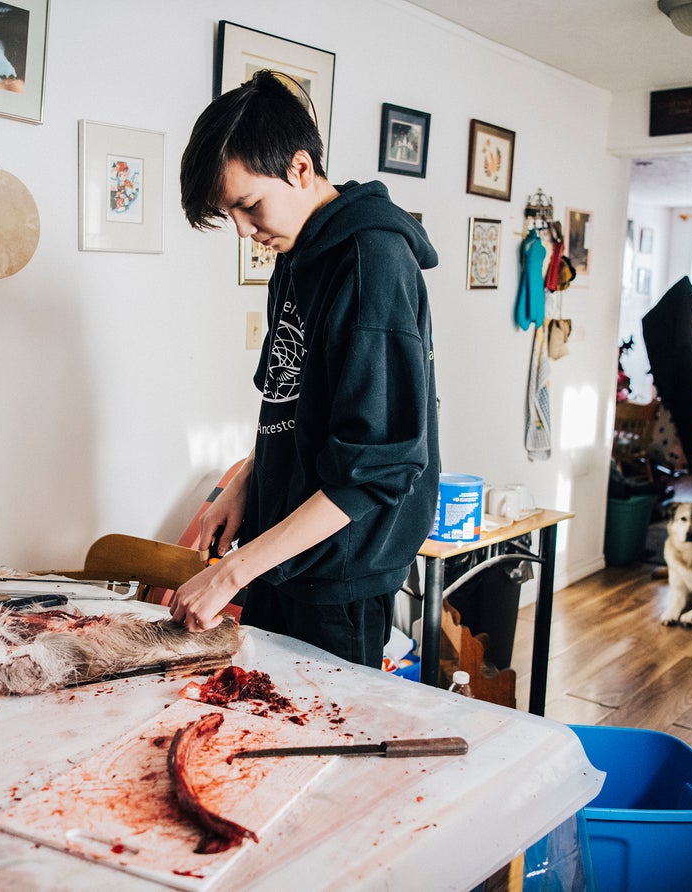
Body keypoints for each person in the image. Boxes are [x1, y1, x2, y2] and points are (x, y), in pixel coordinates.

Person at [171, 69, 440, 668]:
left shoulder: (373, 266)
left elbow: (377, 470)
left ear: (298, 168)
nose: (244, 230)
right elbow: (289, 401)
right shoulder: (297, 254)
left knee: (318, 749)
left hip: (338, 575)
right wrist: (245, 483)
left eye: (247, 206)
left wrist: (231, 574)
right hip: (279, 556)